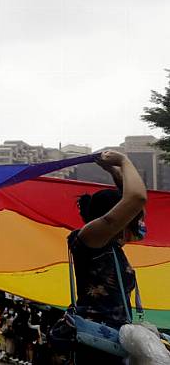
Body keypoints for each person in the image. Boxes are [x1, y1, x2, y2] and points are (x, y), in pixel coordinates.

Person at [69, 150, 147, 365]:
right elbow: (136, 198)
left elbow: (133, 203)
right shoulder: (87, 240)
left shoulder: (111, 246)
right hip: (96, 345)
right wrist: (124, 161)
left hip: (115, 344)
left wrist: (114, 172)